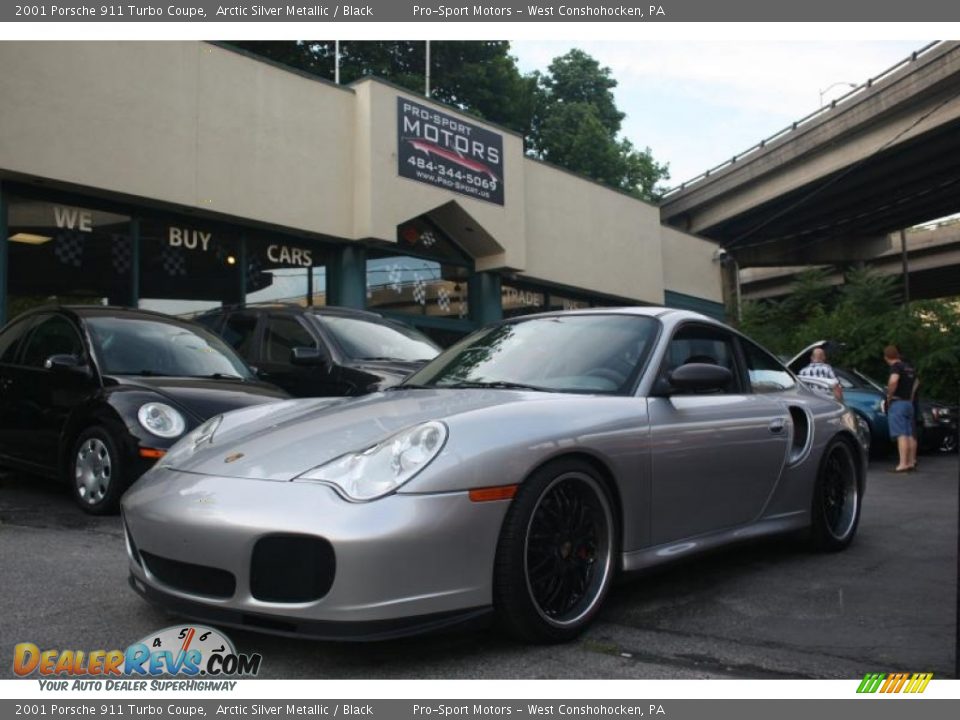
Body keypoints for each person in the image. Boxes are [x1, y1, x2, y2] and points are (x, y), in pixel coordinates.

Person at [883, 345, 919, 472]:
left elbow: (893, 381)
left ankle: (902, 464)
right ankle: (910, 462)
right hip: (909, 403)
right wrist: (911, 396)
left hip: (898, 403)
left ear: (886, 357)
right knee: (910, 434)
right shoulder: (908, 367)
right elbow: (916, 382)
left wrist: (889, 396)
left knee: (901, 434)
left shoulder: (896, 367)